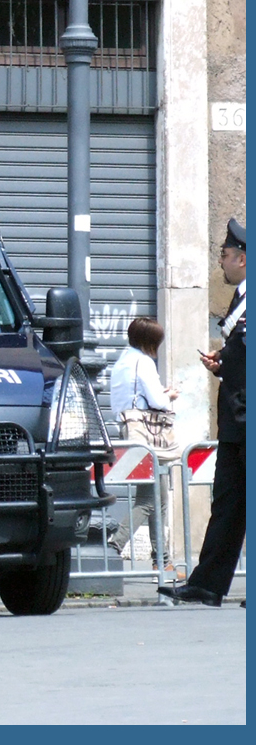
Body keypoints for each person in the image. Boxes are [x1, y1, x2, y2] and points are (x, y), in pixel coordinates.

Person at [159, 217, 246, 607]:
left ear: (242, 258)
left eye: (224, 255)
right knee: (227, 503)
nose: (221, 262)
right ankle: (208, 583)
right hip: (234, 421)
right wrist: (224, 364)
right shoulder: (240, 298)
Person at [108, 316, 180, 574]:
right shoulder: (144, 362)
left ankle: (162, 560)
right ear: (150, 342)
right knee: (150, 499)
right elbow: (157, 401)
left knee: (156, 499)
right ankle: (114, 545)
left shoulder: (122, 362)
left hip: (130, 431)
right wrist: (169, 395)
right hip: (147, 435)